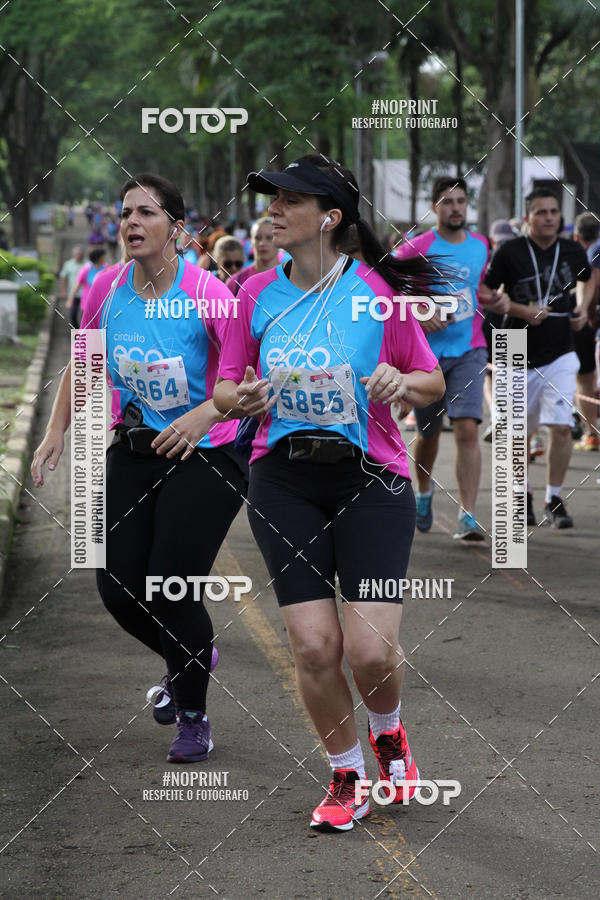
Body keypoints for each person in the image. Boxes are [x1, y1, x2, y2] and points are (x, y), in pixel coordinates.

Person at [214, 154, 447, 832]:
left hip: (370, 478)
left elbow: (430, 378)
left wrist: (399, 383)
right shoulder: (253, 293)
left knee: (371, 651)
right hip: (283, 478)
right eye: (272, 199)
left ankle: (389, 730)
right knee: (315, 647)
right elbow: (225, 387)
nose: (273, 210)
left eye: (289, 200)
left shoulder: (375, 291)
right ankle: (346, 775)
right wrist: (244, 397)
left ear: (331, 216)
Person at [31, 173, 247, 763]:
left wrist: (204, 413)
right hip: (137, 447)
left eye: (146, 213)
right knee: (117, 586)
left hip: (208, 453)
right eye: (125, 212)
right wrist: (56, 432)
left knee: (171, 585)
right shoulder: (105, 287)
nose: (131, 222)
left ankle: (193, 716)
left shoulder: (210, 294)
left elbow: (245, 380)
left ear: (177, 229)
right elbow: (84, 360)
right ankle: (190, 659)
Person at [396, 176, 506, 541]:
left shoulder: (480, 246)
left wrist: (497, 300)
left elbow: (476, 288)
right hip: (426, 357)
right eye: (447, 202)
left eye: (460, 201)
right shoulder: (415, 247)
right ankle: (424, 491)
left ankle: (467, 514)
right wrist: (420, 311)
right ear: (434, 208)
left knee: (469, 427)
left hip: (470, 351)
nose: (455, 208)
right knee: (428, 433)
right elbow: (389, 290)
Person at [481, 187, 593, 528]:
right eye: (542, 213)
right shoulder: (509, 252)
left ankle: (555, 498)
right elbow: (485, 293)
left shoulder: (573, 250)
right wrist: (520, 310)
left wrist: (583, 309)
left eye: (554, 212)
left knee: (560, 427)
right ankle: (521, 493)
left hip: (560, 349)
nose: (549, 218)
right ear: (528, 219)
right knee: (515, 433)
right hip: (513, 346)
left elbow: (589, 277)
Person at [572, 212, 600, 450]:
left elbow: (592, 285)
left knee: (583, 379)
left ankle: (591, 434)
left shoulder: (591, 254)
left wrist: (589, 316)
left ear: (577, 236)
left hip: (591, 327)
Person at [226, 217, 279, 295]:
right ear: (251, 242)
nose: (262, 243)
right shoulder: (235, 282)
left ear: (279, 241)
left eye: (269, 237)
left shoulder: (293, 279)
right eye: (258, 238)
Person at [66, 247, 108, 328]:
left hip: (101, 304)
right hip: (87, 304)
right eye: (103, 256)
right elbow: (77, 286)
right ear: (98, 258)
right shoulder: (86, 269)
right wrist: (70, 300)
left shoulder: (106, 268)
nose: (105, 258)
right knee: (86, 327)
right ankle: (79, 338)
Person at [59, 246, 85, 322]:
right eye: (77, 254)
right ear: (73, 254)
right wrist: (63, 291)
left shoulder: (87, 264)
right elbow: (63, 278)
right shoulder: (68, 264)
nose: (79, 255)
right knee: (73, 314)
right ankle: (77, 332)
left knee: (85, 315)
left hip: (85, 293)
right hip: (73, 293)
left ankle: (85, 332)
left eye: (80, 254)